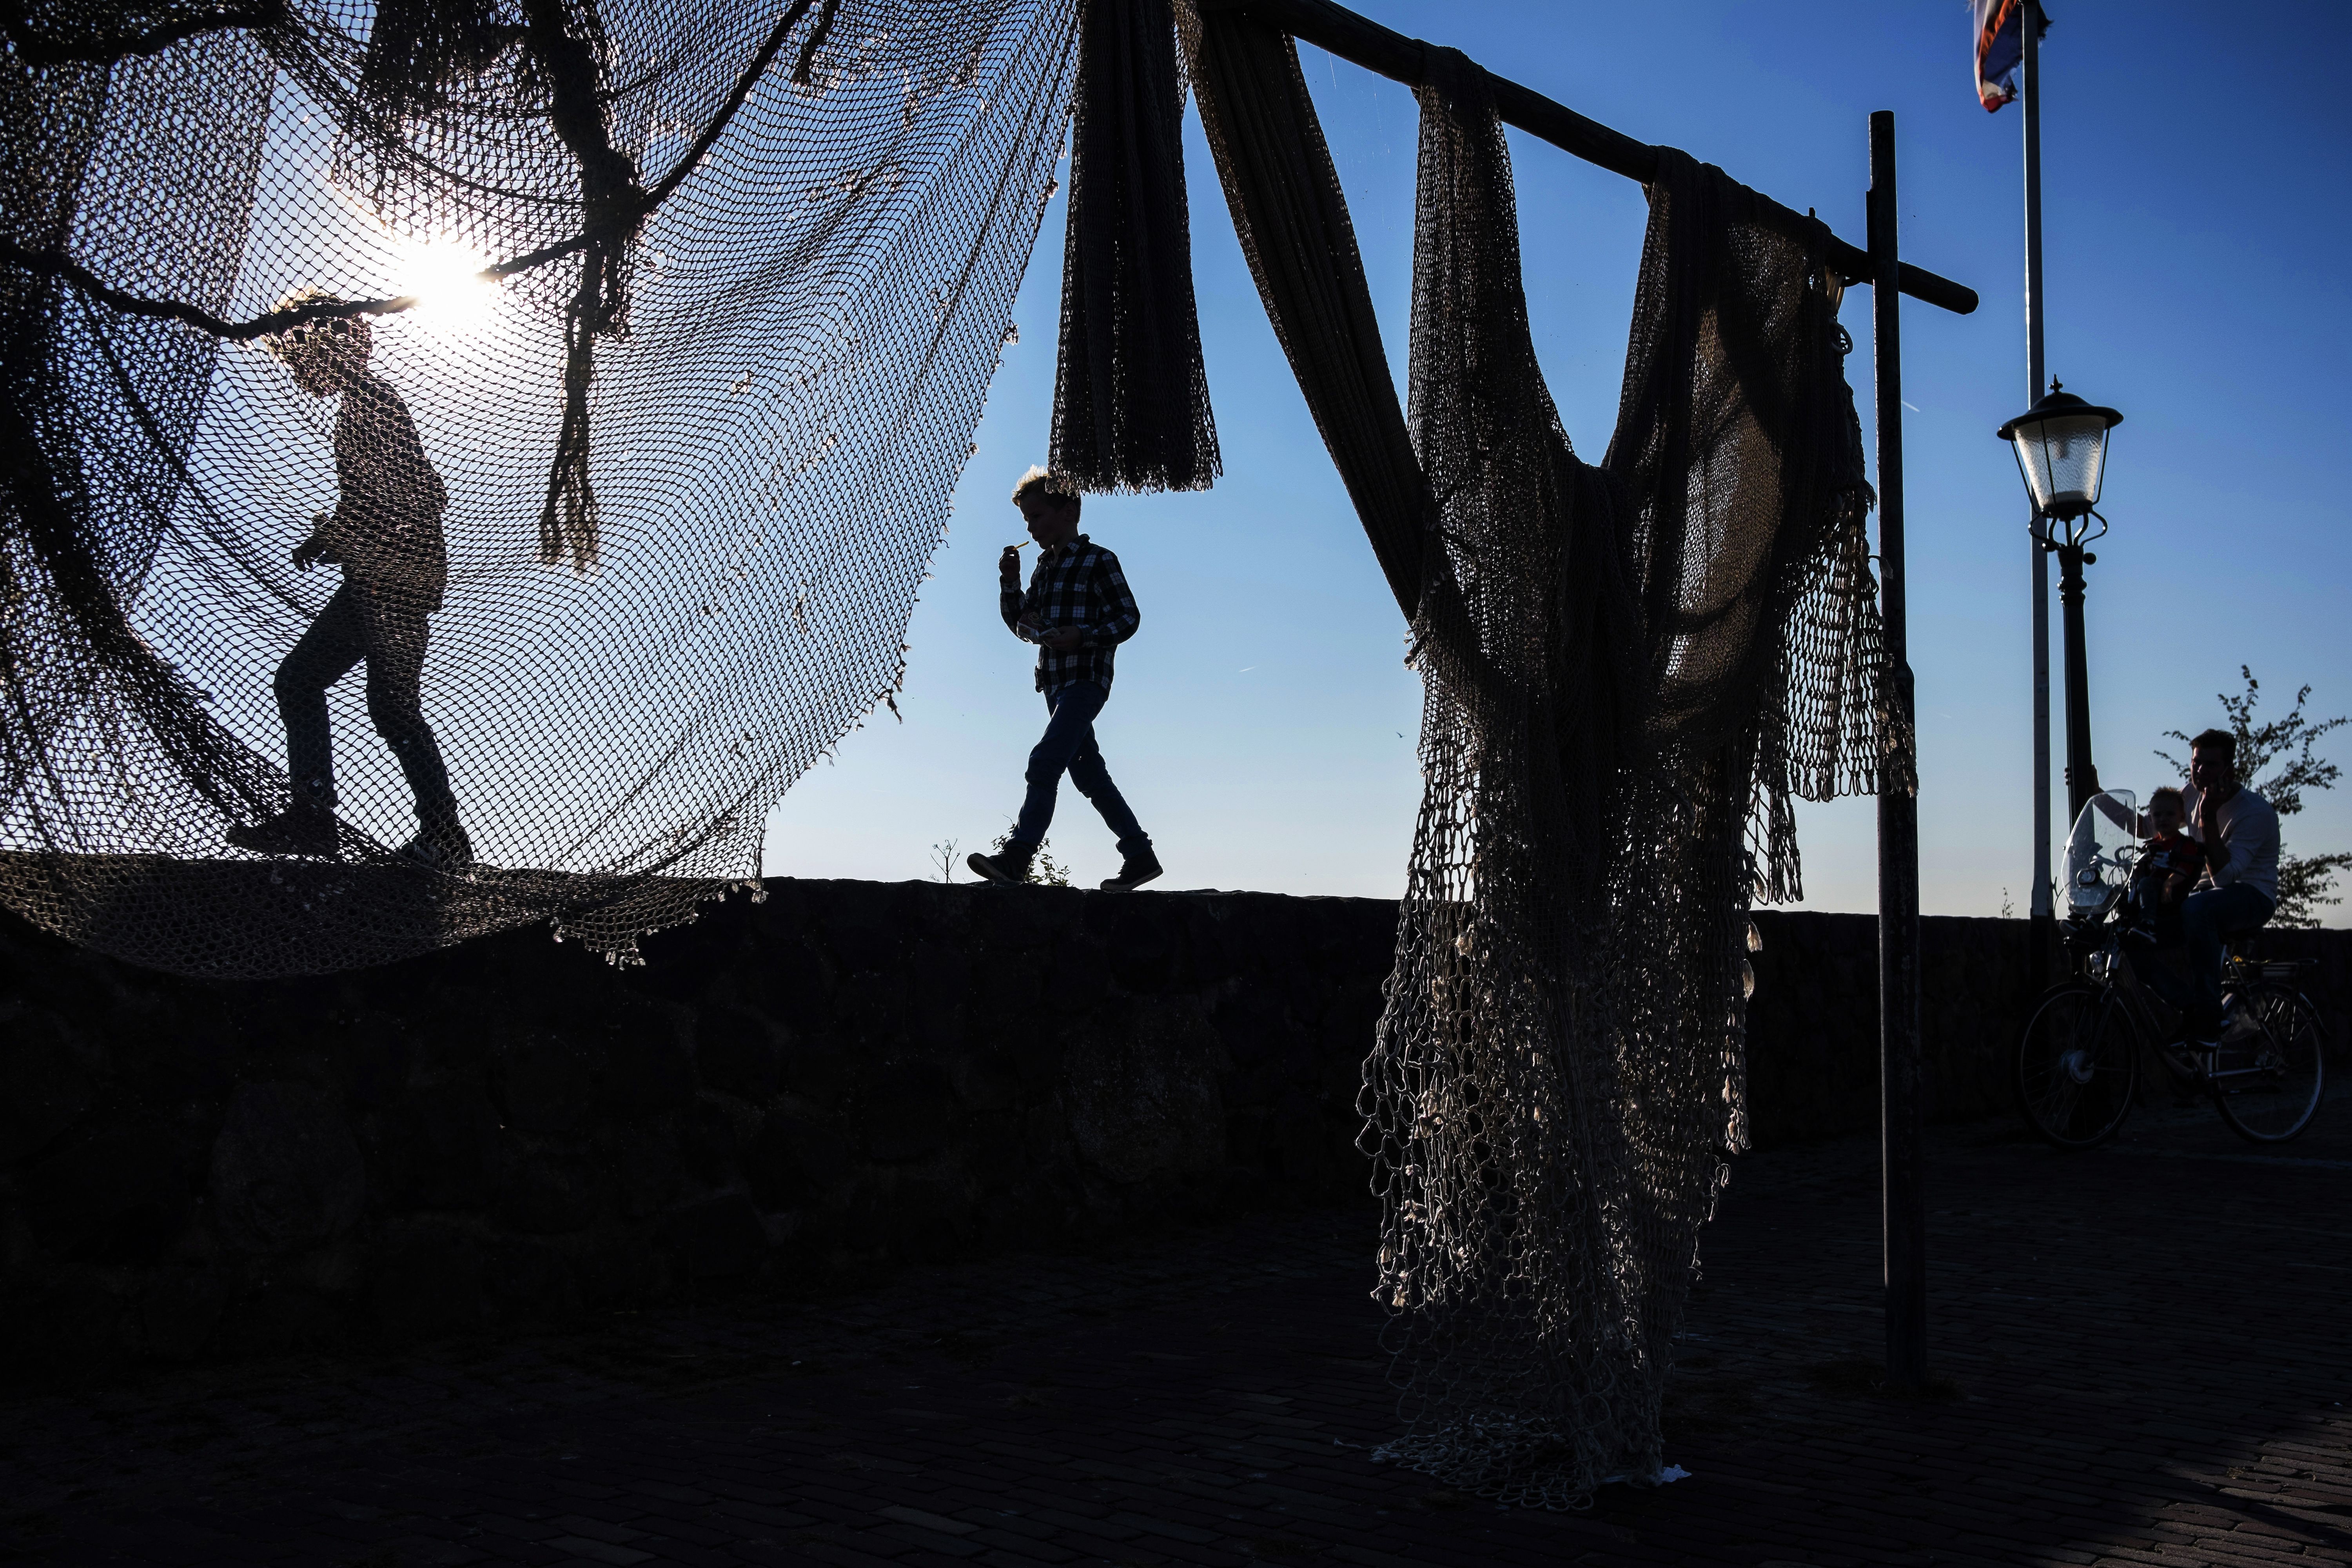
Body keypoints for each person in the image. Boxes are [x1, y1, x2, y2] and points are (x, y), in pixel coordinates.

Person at [226, 296, 472, 871]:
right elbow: (393, 496)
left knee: (369, 702)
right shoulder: (363, 405)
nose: (294, 371)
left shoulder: (370, 403)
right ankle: (333, 822)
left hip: (391, 583)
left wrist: (342, 533)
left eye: (295, 359)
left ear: (325, 348)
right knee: (328, 689)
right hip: (383, 579)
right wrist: (334, 534)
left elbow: (417, 495)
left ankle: (423, 835)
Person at [965, 467, 1161, 891]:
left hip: (1086, 680)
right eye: (1027, 521)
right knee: (1089, 776)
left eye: (1038, 517)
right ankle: (1140, 856)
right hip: (1054, 684)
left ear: (1070, 509)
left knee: (1044, 761)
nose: (1032, 528)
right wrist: (1010, 582)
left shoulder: (1098, 560)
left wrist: (1084, 636)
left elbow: (1129, 617)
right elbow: (1022, 622)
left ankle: (1018, 857)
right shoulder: (1042, 569)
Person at [2176, 727, 2279, 1046]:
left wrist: (2208, 815)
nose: (2200, 771)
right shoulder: (2191, 792)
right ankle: (2189, 1008)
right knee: (2141, 924)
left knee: (2197, 908)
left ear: (2229, 770)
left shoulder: (2255, 812)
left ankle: (2209, 1016)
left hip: (2252, 895)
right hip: (2207, 895)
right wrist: (2100, 799)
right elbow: (2150, 825)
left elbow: (2225, 878)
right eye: (2196, 763)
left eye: (2209, 765)